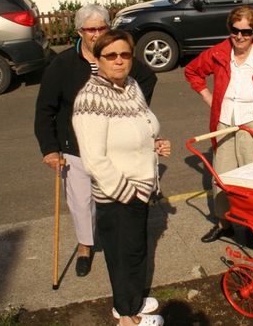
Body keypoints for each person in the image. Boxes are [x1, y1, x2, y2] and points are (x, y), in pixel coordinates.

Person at [34, 4, 157, 277]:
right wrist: (50, 149)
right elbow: (45, 109)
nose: (96, 33)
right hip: (75, 148)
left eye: (102, 27)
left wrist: (132, 114)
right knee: (81, 203)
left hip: (114, 148)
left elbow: (148, 78)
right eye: (91, 29)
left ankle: (118, 245)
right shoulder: (63, 64)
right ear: (79, 31)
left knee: (115, 199)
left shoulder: (117, 55)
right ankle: (85, 246)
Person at [73, 29, 169, 326]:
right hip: (118, 195)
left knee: (136, 251)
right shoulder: (90, 99)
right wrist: (128, 193)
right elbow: (94, 160)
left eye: (125, 55)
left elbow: (140, 127)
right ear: (98, 59)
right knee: (123, 257)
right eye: (110, 55)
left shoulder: (131, 86)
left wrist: (155, 143)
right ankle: (127, 317)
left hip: (138, 190)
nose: (119, 61)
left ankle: (131, 300)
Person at [184, 6, 253, 243]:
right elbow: (193, 71)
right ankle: (224, 223)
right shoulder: (219, 53)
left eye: (246, 32)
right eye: (235, 31)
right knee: (222, 178)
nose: (239, 37)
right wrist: (208, 96)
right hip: (224, 124)